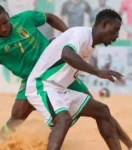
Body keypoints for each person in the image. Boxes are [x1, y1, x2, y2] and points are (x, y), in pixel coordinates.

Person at [26, 9, 132, 150]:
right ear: (104, 24)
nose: (117, 35)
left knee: (102, 110)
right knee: (63, 119)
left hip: (58, 89)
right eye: (115, 30)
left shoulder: (90, 44)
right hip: (41, 84)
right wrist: (97, 72)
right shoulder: (82, 34)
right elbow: (67, 53)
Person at [0, 4, 68, 136]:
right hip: (31, 79)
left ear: (7, 15)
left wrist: (69, 33)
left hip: (52, 65)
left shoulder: (25, 18)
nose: (3, 28)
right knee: (16, 116)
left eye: (5, 22)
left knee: (91, 107)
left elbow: (50, 17)